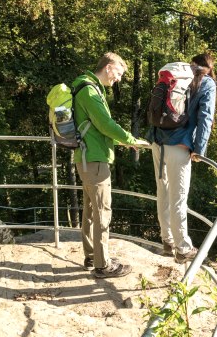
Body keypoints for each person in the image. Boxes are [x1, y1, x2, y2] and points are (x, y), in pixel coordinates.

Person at [72, 52, 148, 278]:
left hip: (87, 157)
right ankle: (103, 265)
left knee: (90, 210)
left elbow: (96, 128)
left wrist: (123, 142)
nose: (119, 79)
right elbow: (105, 124)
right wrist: (131, 139)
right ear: (107, 67)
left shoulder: (86, 88)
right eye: (118, 73)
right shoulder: (89, 91)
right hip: (94, 159)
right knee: (102, 211)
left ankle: (92, 256)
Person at [148, 53, 217, 264]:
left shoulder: (174, 77)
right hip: (180, 145)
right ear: (209, 67)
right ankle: (183, 247)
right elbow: (205, 117)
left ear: (191, 64)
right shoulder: (207, 83)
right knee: (178, 197)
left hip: (157, 142)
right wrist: (199, 148)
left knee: (163, 192)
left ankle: (167, 241)